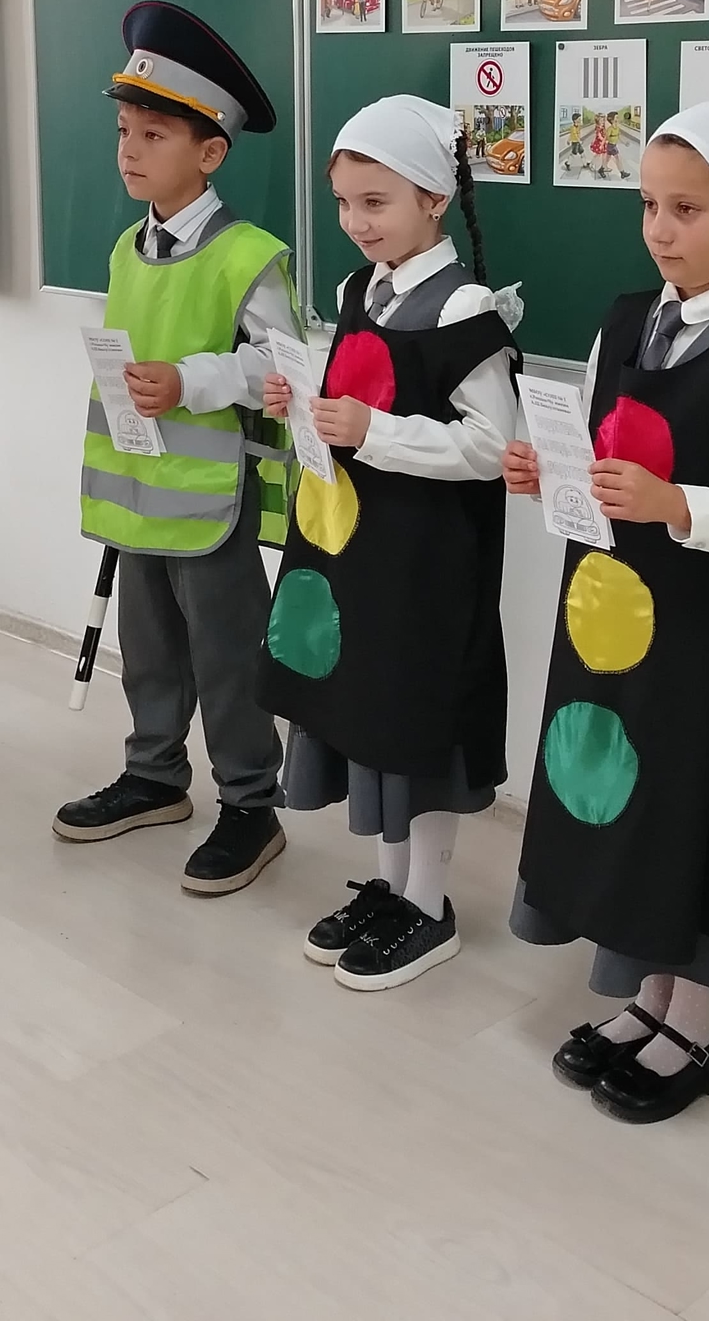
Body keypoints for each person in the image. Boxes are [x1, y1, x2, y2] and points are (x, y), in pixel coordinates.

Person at [504, 103, 709, 1124]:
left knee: (691, 803)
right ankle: (646, 996)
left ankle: (698, 1023)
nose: (661, 230)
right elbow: (603, 455)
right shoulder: (623, 318)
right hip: (608, 617)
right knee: (623, 795)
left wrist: (680, 505)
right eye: (649, 206)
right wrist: (550, 473)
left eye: (688, 209)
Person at [260, 96, 520, 992]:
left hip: (428, 565)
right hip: (359, 553)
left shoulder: (465, 307)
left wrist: (372, 432)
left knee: (418, 725)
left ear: (434, 199)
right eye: (344, 203)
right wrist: (300, 403)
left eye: (376, 202)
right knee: (366, 712)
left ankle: (429, 903)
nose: (355, 222)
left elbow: (490, 448)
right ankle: (388, 885)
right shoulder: (356, 291)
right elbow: (354, 396)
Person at [53, 3, 299, 896]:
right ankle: (154, 775)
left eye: (153, 135)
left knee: (227, 657)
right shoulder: (128, 246)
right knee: (150, 647)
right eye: (125, 131)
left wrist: (191, 381)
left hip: (208, 498)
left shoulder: (249, 256)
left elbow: (282, 365)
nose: (129, 150)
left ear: (211, 152)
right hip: (135, 491)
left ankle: (250, 804)